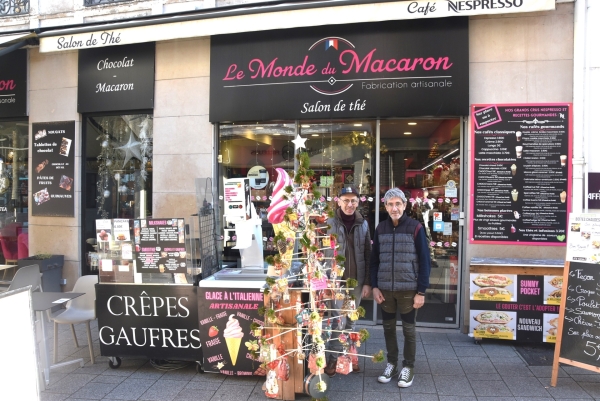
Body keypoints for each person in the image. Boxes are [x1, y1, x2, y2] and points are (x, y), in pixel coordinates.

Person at [370, 188, 431, 388]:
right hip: (386, 289)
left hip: (408, 289)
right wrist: (375, 287)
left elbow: (424, 260)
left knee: (408, 330)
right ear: (385, 207)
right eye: (390, 204)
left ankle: (408, 366)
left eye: (398, 204)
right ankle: (392, 363)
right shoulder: (380, 229)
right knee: (388, 329)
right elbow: (374, 261)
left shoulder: (416, 227)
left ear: (405, 205)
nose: (394, 208)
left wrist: (421, 291)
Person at [323, 186, 372, 376]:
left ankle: (350, 356)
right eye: (346, 200)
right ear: (338, 201)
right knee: (337, 321)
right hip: (336, 283)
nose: (349, 204)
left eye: (353, 201)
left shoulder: (363, 224)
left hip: (356, 282)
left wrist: (367, 281)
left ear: (358, 202)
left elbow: (368, 254)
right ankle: (334, 358)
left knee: (351, 319)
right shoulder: (329, 223)